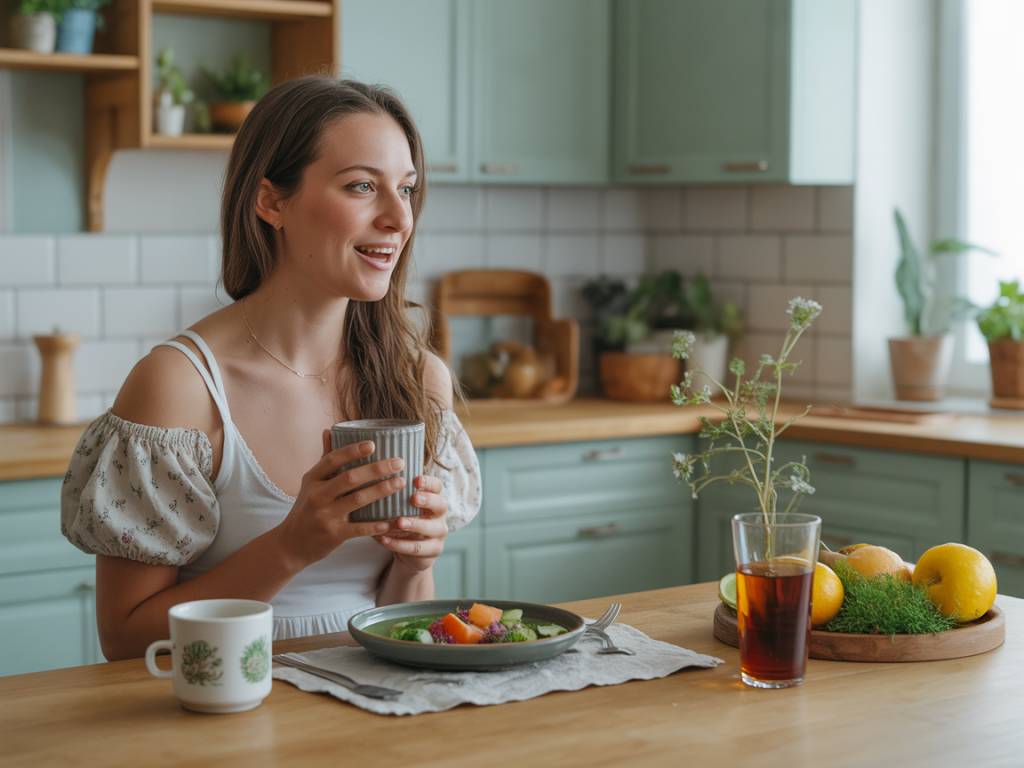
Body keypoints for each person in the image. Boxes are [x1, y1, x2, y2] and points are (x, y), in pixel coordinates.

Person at [59, 77, 481, 660]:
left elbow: (394, 615)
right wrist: (289, 547)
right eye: (362, 186)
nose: (397, 219)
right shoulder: (181, 388)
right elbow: (126, 640)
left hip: (377, 716)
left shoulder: (414, 378)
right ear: (271, 202)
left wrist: (416, 562)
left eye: (406, 190)